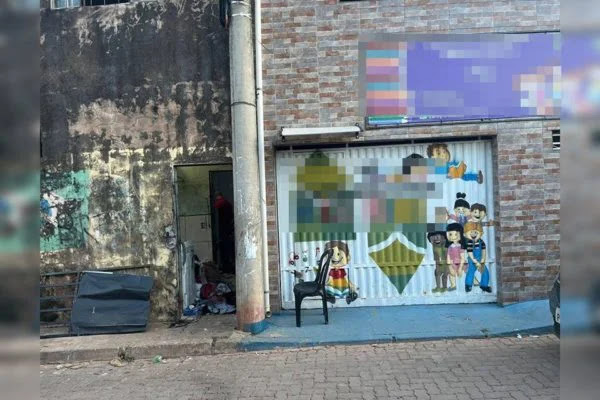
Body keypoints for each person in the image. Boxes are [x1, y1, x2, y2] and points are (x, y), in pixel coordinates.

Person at [214, 192, 235, 274]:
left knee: (225, 251)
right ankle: (228, 268)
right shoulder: (227, 204)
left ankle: (227, 268)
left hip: (225, 231)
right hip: (227, 230)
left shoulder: (223, 203)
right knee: (227, 250)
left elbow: (216, 205)